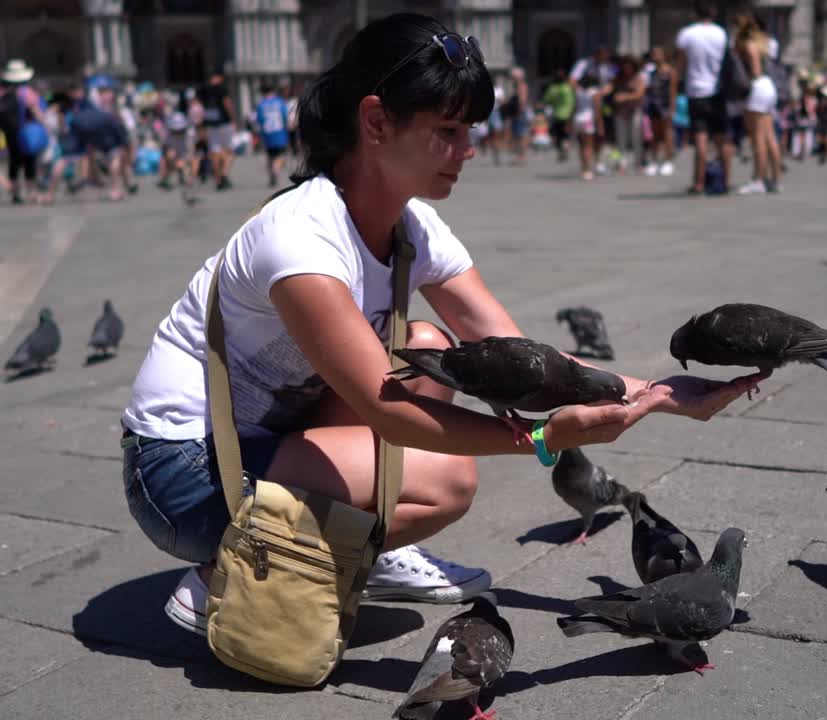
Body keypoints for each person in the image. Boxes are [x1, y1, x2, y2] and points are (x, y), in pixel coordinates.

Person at [121, 13, 760, 636]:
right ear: (375, 121)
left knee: (426, 346)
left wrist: (663, 394)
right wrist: (539, 439)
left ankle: (357, 548)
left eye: (470, 129)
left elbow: (521, 359)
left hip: (268, 439)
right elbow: (390, 410)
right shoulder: (300, 240)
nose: (469, 149)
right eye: (449, 130)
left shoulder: (411, 227)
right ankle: (221, 573)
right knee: (445, 481)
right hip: (182, 473)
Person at [676, 1, 733, 194]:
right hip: (717, 92)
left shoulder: (687, 34)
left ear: (695, 13)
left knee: (700, 138)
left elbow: (681, 65)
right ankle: (725, 181)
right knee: (721, 138)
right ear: (713, 12)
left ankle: (699, 183)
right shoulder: (721, 33)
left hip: (696, 91)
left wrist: (677, 84)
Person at [733, 15, 782, 194]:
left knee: (758, 138)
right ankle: (775, 179)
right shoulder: (764, 43)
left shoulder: (749, 44)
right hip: (768, 86)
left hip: (757, 88)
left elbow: (755, 70)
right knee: (770, 137)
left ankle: (759, 179)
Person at [0, 59, 46, 205]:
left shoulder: (4, 93)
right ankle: (31, 193)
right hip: (26, 132)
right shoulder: (27, 93)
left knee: (14, 163)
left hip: (10, 132)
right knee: (29, 162)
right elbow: (38, 113)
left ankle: (15, 193)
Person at [597, 56, 646, 174]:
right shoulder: (618, 79)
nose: (626, 68)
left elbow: (640, 94)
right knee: (621, 139)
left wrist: (625, 97)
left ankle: (639, 163)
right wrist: (599, 93)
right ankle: (622, 164)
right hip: (620, 112)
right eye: (624, 66)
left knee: (636, 138)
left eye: (629, 66)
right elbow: (609, 88)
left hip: (634, 111)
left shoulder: (638, 78)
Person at [642, 47, 677, 176]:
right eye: (653, 54)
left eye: (658, 54)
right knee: (654, 134)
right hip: (653, 105)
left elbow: (673, 91)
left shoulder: (670, 71)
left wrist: (673, 108)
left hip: (665, 105)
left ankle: (668, 161)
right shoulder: (651, 71)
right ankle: (654, 160)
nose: (655, 56)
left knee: (667, 134)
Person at [198, 73, 236, 190]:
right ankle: (224, 174)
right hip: (224, 123)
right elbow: (227, 103)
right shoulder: (221, 88)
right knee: (229, 151)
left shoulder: (204, 90)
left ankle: (218, 179)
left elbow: (200, 108)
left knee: (215, 153)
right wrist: (233, 118)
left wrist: (201, 126)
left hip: (210, 124)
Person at [256, 83, 291, 187]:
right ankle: (275, 170)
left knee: (270, 155)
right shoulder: (280, 102)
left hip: (267, 133)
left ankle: (271, 175)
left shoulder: (261, 104)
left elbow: (259, 120)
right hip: (279, 132)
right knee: (280, 154)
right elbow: (285, 117)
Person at [541, 68, 574, 162]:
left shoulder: (553, 88)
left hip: (557, 115)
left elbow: (546, 100)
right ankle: (565, 149)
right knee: (566, 135)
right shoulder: (568, 88)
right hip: (567, 115)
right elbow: (572, 102)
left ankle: (561, 151)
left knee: (558, 135)